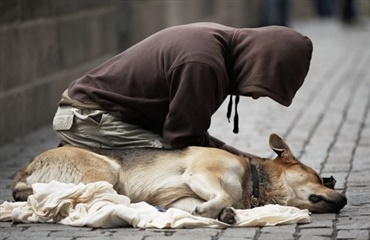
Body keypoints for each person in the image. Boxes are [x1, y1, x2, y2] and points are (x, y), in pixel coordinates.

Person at [53, 22, 313, 158]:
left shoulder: (220, 43)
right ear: (261, 62)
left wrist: (249, 158)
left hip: (106, 117)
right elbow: (184, 143)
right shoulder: (204, 63)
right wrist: (250, 165)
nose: (256, 95)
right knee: (180, 166)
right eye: (263, 86)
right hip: (87, 119)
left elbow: (191, 134)